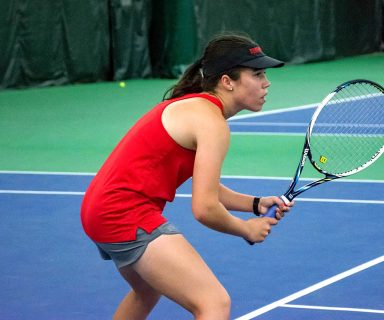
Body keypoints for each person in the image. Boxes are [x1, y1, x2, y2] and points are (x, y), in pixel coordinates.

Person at [80, 33, 293, 319]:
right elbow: (204, 209)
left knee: (146, 292)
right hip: (124, 212)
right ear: (227, 81)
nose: (266, 83)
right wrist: (246, 229)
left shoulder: (197, 106)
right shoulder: (212, 123)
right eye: (257, 74)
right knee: (214, 303)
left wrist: (254, 204)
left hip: (98, 209)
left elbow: (207, 187)